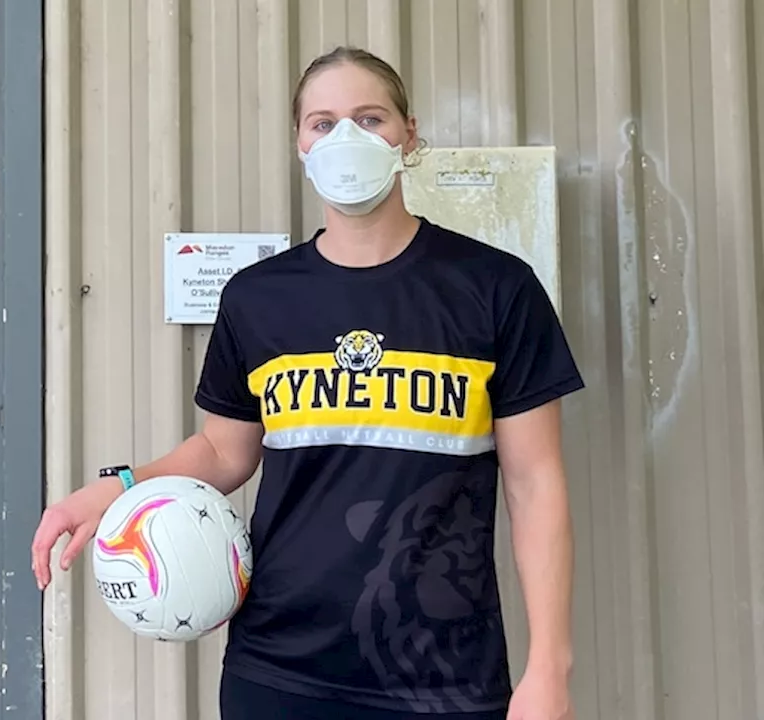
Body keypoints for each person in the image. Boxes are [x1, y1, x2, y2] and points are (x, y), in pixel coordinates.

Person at [31, 45, 582, 720]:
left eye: (370, 118)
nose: (345, 138)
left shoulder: (494, 288)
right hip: (279, 668)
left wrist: (549, 667)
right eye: (323, 122)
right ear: (299, 142)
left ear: (410, 135)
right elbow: (224, 452)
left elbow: (535, 484)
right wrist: (116, 490)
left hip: (444, 670)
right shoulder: (259, 299)